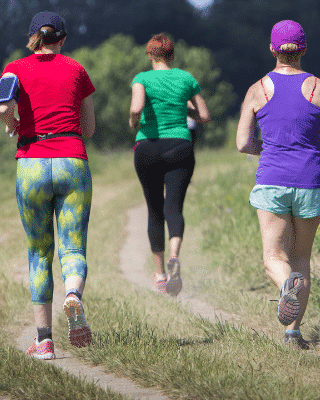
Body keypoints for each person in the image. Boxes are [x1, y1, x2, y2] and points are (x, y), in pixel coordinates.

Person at [235, 20, 320, 350]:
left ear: (272, 50)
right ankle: (293, 333)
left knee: (274, 257)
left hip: (272, 181)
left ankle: (286, 286)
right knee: (301, 259)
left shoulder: (257, 90)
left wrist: (268, 149)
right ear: (304, 50)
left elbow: (243, 143)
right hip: (311, 181)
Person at [0, 11, 96, 360]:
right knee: (73, 247)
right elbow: (90, 128)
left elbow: (2, 105)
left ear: (32, 36)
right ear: (62, 39)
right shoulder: (77, 70)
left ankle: (44, 341)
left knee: (39, 252)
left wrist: (15, 123)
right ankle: (73, 296)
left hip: (32, 163)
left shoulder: (14, 69)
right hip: (72, 162)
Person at [129, 33, 211, 296]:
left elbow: (137, 107)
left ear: (150, 55)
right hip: (180, 146)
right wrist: (182, 108)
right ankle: (175, 255)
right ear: (172, 55)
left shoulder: (141, 78)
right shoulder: (185, 78)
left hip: (148, 147)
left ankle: (160, 273)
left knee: (154, 210)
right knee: (173, 206)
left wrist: (133, 122)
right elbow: (205, 116)